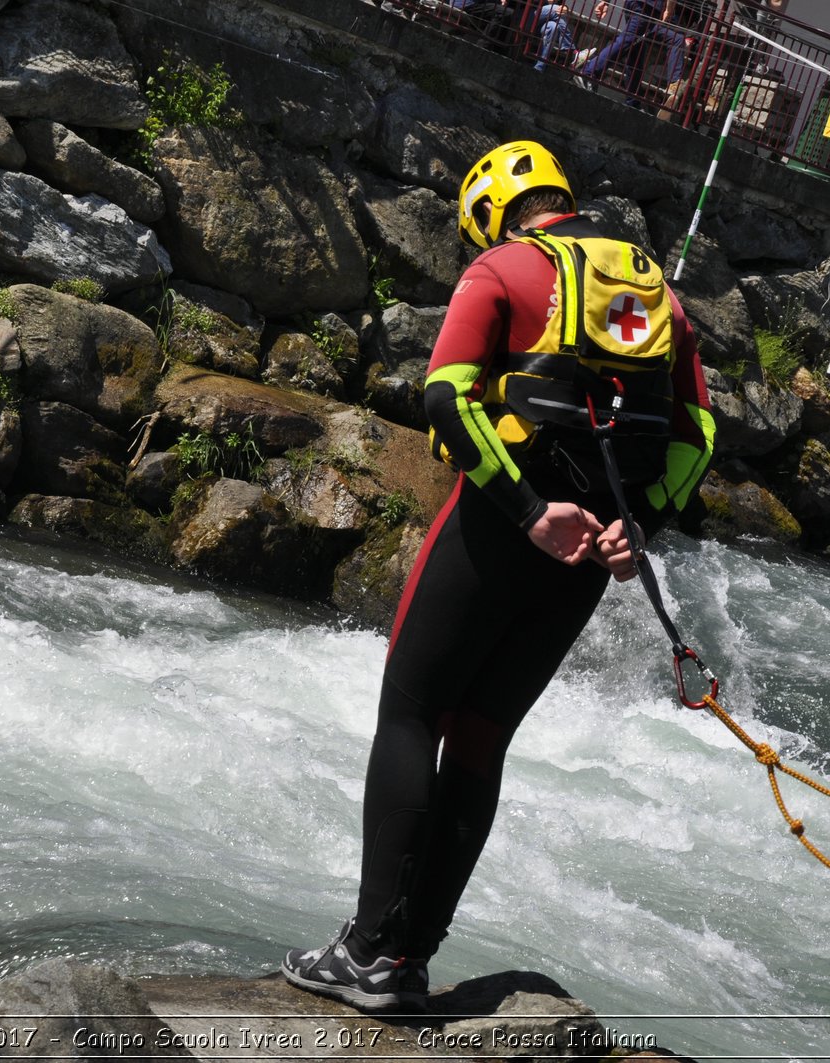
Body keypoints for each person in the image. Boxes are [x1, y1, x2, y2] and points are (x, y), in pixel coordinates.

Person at [280, 140, 714, 1012]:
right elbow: (696, 434)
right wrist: (638, 527)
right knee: (479, 741)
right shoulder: (660, 296)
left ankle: (368, 953)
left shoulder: (506, 269)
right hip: (591, 554)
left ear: (491, 215)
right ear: (565, 197)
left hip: (501, 528)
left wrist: (525, 511)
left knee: (410, 713)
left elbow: (445, 397)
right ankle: (410, 961)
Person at [577, 0, 689, 108]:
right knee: (627, 41)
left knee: (636, 50)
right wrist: (669, 10)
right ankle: (588, 72)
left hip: (635, 4)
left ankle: (633, 101)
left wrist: (605, 1)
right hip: (648, 6)